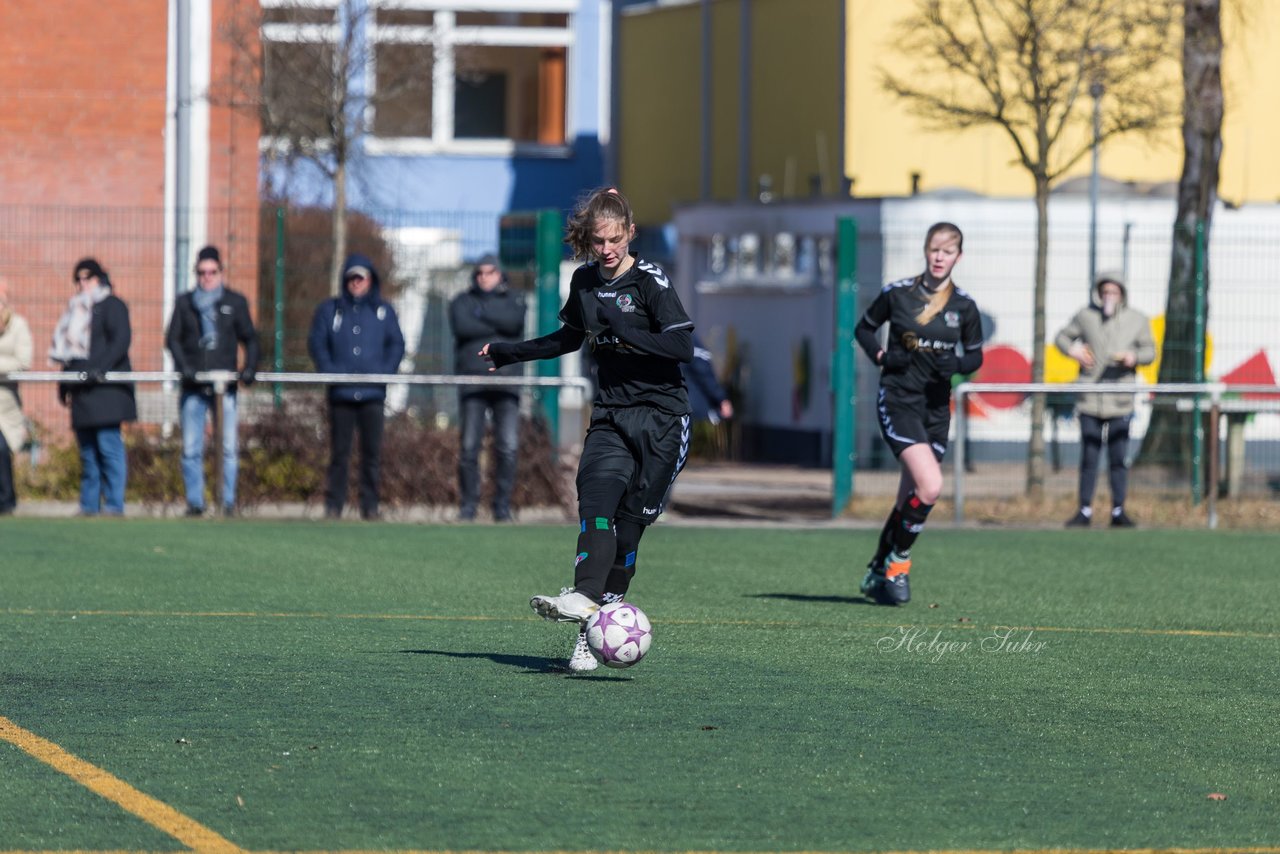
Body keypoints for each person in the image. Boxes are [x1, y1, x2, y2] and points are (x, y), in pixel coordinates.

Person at [481, 186, 694, 672]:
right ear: (589, 241)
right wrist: (509, 352)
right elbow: (568, 338)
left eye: (616, 239)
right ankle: (584, 602)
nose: (608, 250)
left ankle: (592, 625)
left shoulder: (651, 282)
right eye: (599, 241)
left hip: (663, 421)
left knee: (629, 532)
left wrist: (625, 334)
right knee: (595, 502)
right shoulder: (584, 282)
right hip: (612, 416)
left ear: (631, 233)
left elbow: (681, 347)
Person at [854, 222, 983, 605]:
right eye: (935, 249)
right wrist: (881, 356)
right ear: (926, 251)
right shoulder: (898, 294)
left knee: (907, 497)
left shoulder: (964, 306)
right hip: (898, 400)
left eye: (948, 251)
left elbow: (975, 355)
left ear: (959, 257)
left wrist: (958, 364)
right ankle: (899, 562)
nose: (940, 257)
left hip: (935, 409)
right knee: (930, 487)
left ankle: (876, 568)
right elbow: (864, 329)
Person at [308, 253, 405, 520]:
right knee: (339, 453)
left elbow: (397, 344)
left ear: (370, 280)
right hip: (340, 393)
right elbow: (317, 342)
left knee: (372, 454)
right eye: (351, 277)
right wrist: (330, 372)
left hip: (373, 394)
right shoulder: (330, 310)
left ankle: (370, 506)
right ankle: (334, 506)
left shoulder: (384, 311)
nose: (356, 283)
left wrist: (384, 372)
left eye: (361, 277)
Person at [165, 245, 261, 518]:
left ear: (221, 271)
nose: (207, 277)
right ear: (196, 273)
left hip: (225, 387)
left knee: (229, 447)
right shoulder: (184, 303)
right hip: (193, 387)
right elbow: (173, 339)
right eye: (201, 272)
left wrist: (249, 368)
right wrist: (186, 368)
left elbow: (251, 339)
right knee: (191, 447)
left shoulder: (235, 301)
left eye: (212, 272)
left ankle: (227, 502)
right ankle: (196, 503)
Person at [1055, 272, 1156, 528]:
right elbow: (1062, 338)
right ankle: (1085, 510)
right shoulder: (1085, 316)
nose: (1109, 296)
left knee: (1118, 458)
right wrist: (1073, 350)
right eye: (1105, 291)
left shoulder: (1137, 320)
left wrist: (1133, 357)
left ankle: (1118, 510)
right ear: (1098, 293)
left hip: (1120, 398)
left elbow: (1150, 351)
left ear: (1122, 293)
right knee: (1089, 456)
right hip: (1090, 397)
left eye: (1114, 292)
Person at [49, 258, 136, 517]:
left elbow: (120, 341)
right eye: (79, 279)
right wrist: (65, 385)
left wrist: (98, 369)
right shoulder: (74, 310)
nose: (83, 283)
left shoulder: (113, 305)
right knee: (88, 452)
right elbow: (69, 354)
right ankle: (88, 506)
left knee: (109, 447)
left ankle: (113, 504)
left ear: (100, 278)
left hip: (106, 390)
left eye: (88, 278)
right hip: (82, 392)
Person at [449, 253, 527, 522]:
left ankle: (501, 507)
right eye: (480, 273)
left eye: (490, 272)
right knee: (470, 446)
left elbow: (514, 323)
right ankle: (468, 506)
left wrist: (481, 312)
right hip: (472, 382)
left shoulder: (515, 299)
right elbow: (462, 326)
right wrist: (497, 320)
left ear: (500, 275)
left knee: (507, 446)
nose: (484, 277)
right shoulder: (461, 301)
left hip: (507, 382)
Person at [0, 278, 34, 515]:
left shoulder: (18, 325)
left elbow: (23, 360)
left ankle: (6, 499)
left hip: (6, 403)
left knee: (2, 449)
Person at [684, 333, 734, 425]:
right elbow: (703, 371)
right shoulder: (685, 337)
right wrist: (721, 399)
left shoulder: (653, 337)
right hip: (693, 410)